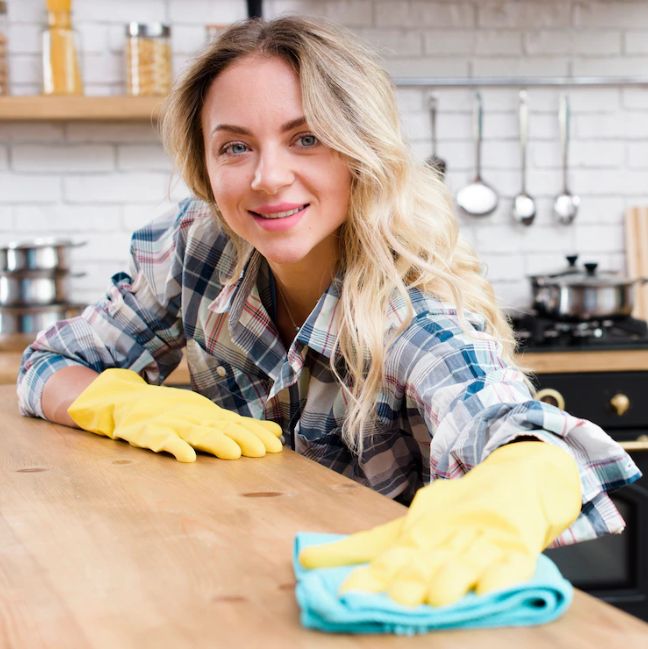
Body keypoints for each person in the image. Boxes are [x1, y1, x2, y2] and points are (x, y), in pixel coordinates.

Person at [18, 16, 640, 609]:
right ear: (203, 165)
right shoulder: (196, 243)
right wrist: (121, 400)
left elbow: (501, 418)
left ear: (360, 150)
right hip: (235, 576)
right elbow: (50, 362)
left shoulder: (408, 306)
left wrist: (525, 478)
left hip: (380, 600)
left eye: (306, 138)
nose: (268, 177)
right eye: (234, 146)